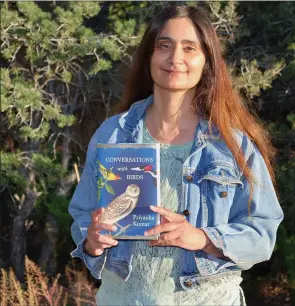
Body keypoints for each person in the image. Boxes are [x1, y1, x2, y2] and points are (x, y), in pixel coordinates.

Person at [69, 5, 283, 306]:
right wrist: (92, 241)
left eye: (190, 48)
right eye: (164, 46)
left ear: (207, 61)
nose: (175, 58)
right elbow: (82, 215)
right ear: (149, 56)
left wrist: (203, 239)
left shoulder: (233, 146)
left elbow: (262, 234)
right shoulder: (112, 134)